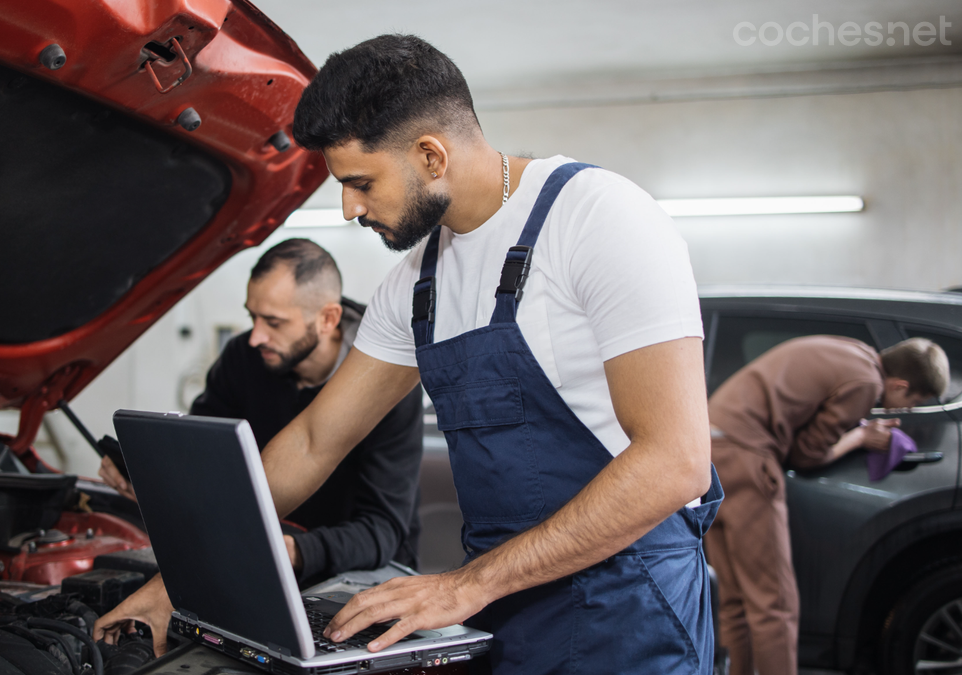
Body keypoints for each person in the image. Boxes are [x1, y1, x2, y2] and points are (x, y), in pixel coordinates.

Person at [97, 34, 720, 674]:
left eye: (359, 182)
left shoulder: (598, 219)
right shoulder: (417, 285)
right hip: (500, 608)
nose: (348, 209)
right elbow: (313, 441)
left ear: (429, 154)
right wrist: (173, 585)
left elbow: (674, 463)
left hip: (627, 608)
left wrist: (465, 585)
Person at [99, 238, 424, 588]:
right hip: (258, 550)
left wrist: (297, 550)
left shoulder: (387, 380)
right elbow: (204, 455)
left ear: (328, 318)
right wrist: (152, 477)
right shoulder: (243, 358)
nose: (255, 337)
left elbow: (382, 529)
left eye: (273, 322)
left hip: (360, 574)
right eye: (252, 317)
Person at [704, 335, 949, 675]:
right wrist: (860, 437)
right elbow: (808, 456)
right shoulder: (866, 382)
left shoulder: (853, 351)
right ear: (899, 383)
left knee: (734, 602)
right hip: (747, 459)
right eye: (909, 402)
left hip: (709, 456)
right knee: (775, 604)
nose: (901, 412)